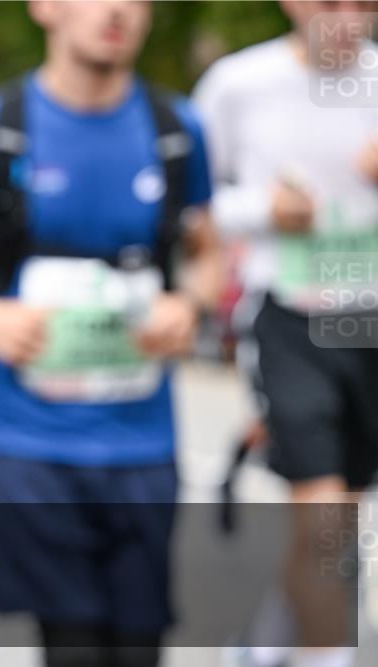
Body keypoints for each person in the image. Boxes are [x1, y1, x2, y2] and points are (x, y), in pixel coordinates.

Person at [0, 2, 222, 665]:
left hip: (142, 440)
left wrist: (188, 303)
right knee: (71, 647)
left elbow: (211, 253)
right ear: (45, 7)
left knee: (138, 645)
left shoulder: (177, 127)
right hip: (31, 438)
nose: (117, 10)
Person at [194, 4, 378, 666]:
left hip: (371, 322)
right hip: (288, 315)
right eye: (332, 1)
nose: (349, 18)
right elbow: (190, 200)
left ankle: (271, 636)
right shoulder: (238, 83)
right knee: (325, 510)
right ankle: (328, 654)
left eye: (365, 3)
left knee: (337, 517)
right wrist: (262, 209)